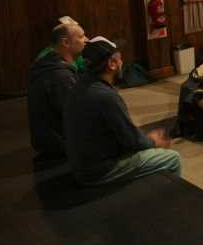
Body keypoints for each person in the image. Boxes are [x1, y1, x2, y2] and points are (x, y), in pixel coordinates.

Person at [63, 37, 181, 185]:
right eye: (119, 59)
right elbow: (132, 141)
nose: (121, 63)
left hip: (81, 163)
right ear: (111, 64)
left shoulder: (79, 86)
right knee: (172, 158)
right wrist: (153, 141)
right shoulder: (106, 97)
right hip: (97, 170)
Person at [27, 20, 87, 160]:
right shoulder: (59, 76)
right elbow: (76, 116)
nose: (86, 40)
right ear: (66, 42)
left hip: (49, 141)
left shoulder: (50, 63)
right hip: (59, 145)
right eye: (81, 36)